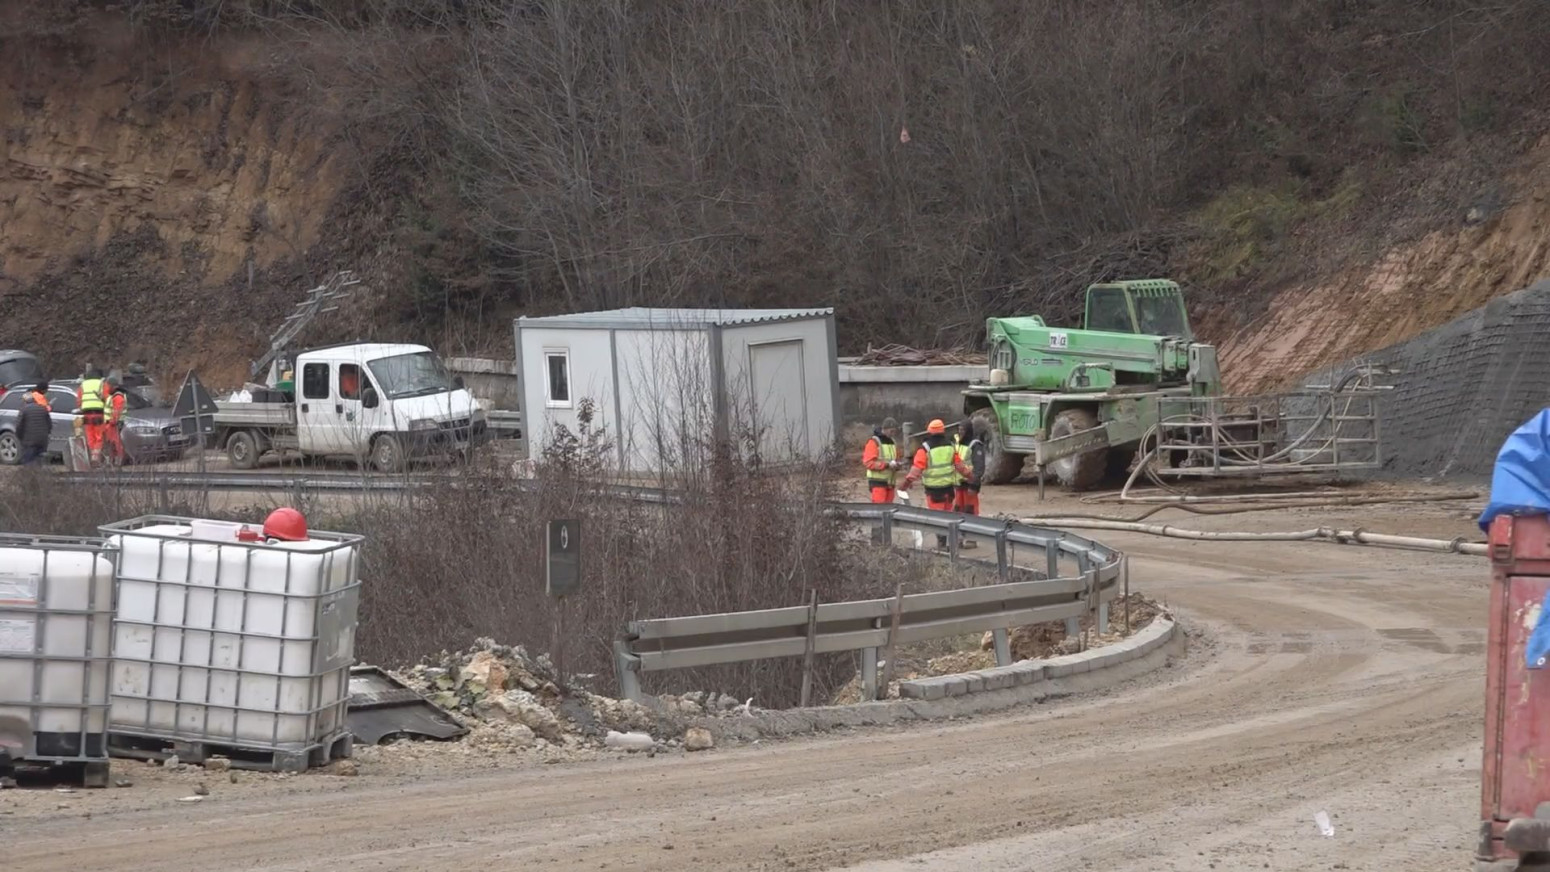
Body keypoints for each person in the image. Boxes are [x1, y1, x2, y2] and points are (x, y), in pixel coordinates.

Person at [901, 418, 973, 548]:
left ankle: (942, 545)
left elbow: (917, 469)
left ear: (929, 432)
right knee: (948, 517)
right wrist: (970, 476)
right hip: (949, 490)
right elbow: (960, 466)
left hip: (934, 491)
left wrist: (906, 483)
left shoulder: (925, 449)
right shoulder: (950, 446)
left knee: (937, 520)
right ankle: (950, 545)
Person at [953, 421, 987, 547]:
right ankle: (960, 538)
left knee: (971, 511)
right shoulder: (957, 444)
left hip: (970, 486)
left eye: (962, 430)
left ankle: (972, 539)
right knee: (958, 511)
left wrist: (974, 485)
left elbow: (979, 468)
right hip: (959, 485)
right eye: (959, 429)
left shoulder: (975, 445)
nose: (960, 432)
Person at [862, 417, 903, 503]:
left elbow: (897, 458)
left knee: (888, 511)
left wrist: (898, 465)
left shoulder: (893, 442)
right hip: (878, 483)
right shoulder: (874, 442)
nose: (893, 434)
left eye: (894, 431)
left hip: (890, 483)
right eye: (891, 431)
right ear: (885, 429)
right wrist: (887, 465)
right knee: (879, 510)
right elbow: (868, 463)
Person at [15, 382, 51, 466]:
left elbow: (19, 426)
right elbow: (49, 425)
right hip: (42, 440)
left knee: (28, 461)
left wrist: (20, 437)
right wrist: (46, 435)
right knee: (40, 461)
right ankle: (40, 476)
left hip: (29, 441)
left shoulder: (24, 409)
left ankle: (30, 477)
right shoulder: (43, 408)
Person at [77, 367, 107, 466]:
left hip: (86, 414)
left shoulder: (83, 385)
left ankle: (91, 455)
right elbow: (106, 398)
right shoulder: (102, 384)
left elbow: (79, 401)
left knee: (90, 435)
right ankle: (96, 456)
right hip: (99, 413)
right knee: (99, 436)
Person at [102, 379, 128, 465]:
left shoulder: (118, 397)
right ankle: (113, 460)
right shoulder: (113, 397)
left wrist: (112, 422)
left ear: (113, 386)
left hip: (114, 424)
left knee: (115, 443)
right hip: (111, 424)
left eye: (107, 386)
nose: (106, 389)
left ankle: (118, 461)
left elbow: (116, 412)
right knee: (111, 443)